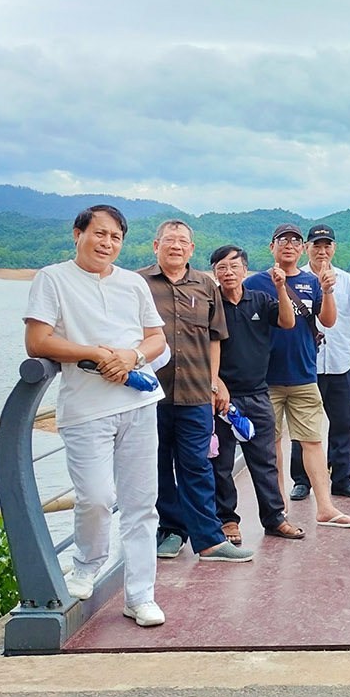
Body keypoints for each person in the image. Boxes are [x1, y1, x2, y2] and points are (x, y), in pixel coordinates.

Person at [23, 205, 170, 627]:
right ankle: (87, 564)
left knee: (142, 505)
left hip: (138, 404)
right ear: (78, 234)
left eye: (115, 237)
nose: (107, 243)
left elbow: (156, 339)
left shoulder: (133, 283)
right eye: (99, 234)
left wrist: (131, 356)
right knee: (96, 497)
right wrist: (95, 353)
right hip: (86, 409)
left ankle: (140, 596)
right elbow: (37, 341)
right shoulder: (53, 279)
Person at [138, 220, 252, 563]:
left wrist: (214, 382)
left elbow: (215, 338)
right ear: (156, 245)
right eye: (169, 240)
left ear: (191, 249)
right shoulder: (137, 283)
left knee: (198, 465)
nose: (175, 246)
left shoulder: (205, 285)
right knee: (158, 465)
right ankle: (171, 531)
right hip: (150, 395)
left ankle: (210, 541)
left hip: (196, 393)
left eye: (182, 241)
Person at [243, 222, 350, 529]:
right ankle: (278, 506)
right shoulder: (254, 283)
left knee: (312, 441)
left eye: (295, 241)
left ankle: (325, 507)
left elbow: (328, 321)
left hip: (304, 375)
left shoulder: (312, 282)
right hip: (265, 379)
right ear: (272, 247)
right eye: (282, 240)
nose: (289, 245)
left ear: (302, 248)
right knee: (271, 444)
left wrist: (328, 290)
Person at [208, 244, 305, 542]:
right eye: (221, 268)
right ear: (214, 273)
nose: (228, 273)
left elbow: (288, 322)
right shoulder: (211, 305)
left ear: (245, 270)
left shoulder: (260, 300)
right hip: (223, 398)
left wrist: (281, 288)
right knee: (221, 463)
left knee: (264, 460)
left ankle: (274, 518)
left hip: (259, 393)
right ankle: (227, 520)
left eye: (234, 266)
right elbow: (205, 347)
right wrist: (215, 385)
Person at [288, 225, 350, 504]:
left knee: (343, 423)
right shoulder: (295, 278)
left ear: (334, 248)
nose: (322, 251)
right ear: (306, 248)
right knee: (303, 426)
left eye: (327, 245)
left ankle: (342, 478)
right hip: (305, 365)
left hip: (340, 363)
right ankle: (302, 480)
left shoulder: (347, 280)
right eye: (316, 245)